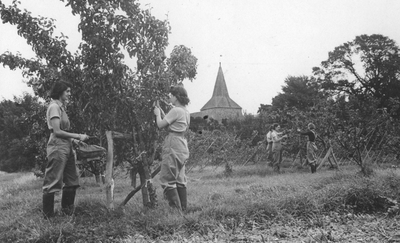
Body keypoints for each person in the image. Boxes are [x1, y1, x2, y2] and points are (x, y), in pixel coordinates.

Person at [42, 81, 89, 218]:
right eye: (67, 91)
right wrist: (78, 136)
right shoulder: (54, 107)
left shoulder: (61, 108)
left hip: (66, 144)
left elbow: (63, 130)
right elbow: (56, 131)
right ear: (60, 91)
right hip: (57, 145)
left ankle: (68, 213)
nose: (69, 94)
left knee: (72, 179)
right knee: (53, 180)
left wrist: (73, 140)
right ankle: (48, 217)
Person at [154, 85, 190, 211]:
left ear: (176, 97)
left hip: (173, 143)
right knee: (180, 178)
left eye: (172, 95)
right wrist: (164, 114)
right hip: (182, 143)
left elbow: (160, 125)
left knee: (167, 179)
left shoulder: (176, 111)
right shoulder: (185, 111)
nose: (170, 98)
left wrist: (157, 114)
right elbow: (172, 123)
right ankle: (183, 210)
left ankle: (176, 211)